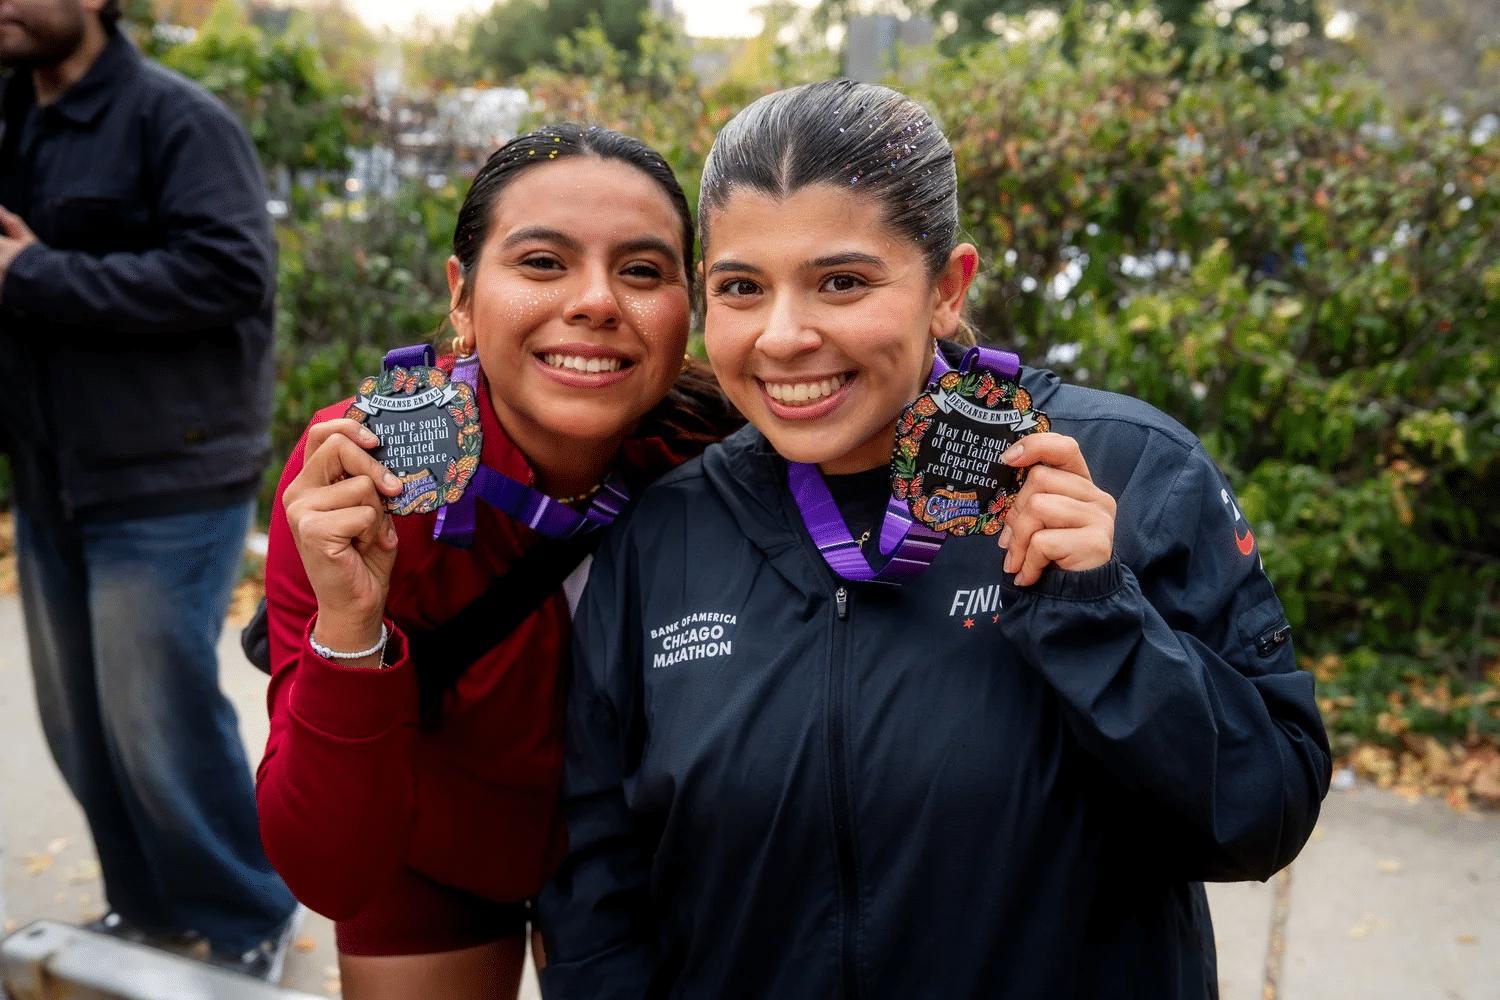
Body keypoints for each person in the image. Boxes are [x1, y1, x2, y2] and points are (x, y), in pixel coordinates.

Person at [539, 80, 1333, 999]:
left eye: (842, 282)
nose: (784, 336)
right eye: (742, 288)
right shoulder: (665, 531)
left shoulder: (1126, 468)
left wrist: (1098, 615)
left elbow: (1263, 816)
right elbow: (596, 889)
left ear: (947, 289)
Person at [256, 123, 739, 1000]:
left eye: (641, 271)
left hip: (648, 852)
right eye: (543, 263)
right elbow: (328, 872)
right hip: (428, 839)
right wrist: (350, 627)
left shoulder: (732, 465)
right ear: (462, 298)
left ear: (689, 306)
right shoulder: (359, 475)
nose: (596, 301)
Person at [0, 0, 299, 979]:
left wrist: (35, 272)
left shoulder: (177, 119)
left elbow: (233, 271)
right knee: (82, 723)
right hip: (53, 472)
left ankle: (249, 913)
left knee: (156, 719)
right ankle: (149, 906)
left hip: (169, 474)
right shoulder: (14, 116)